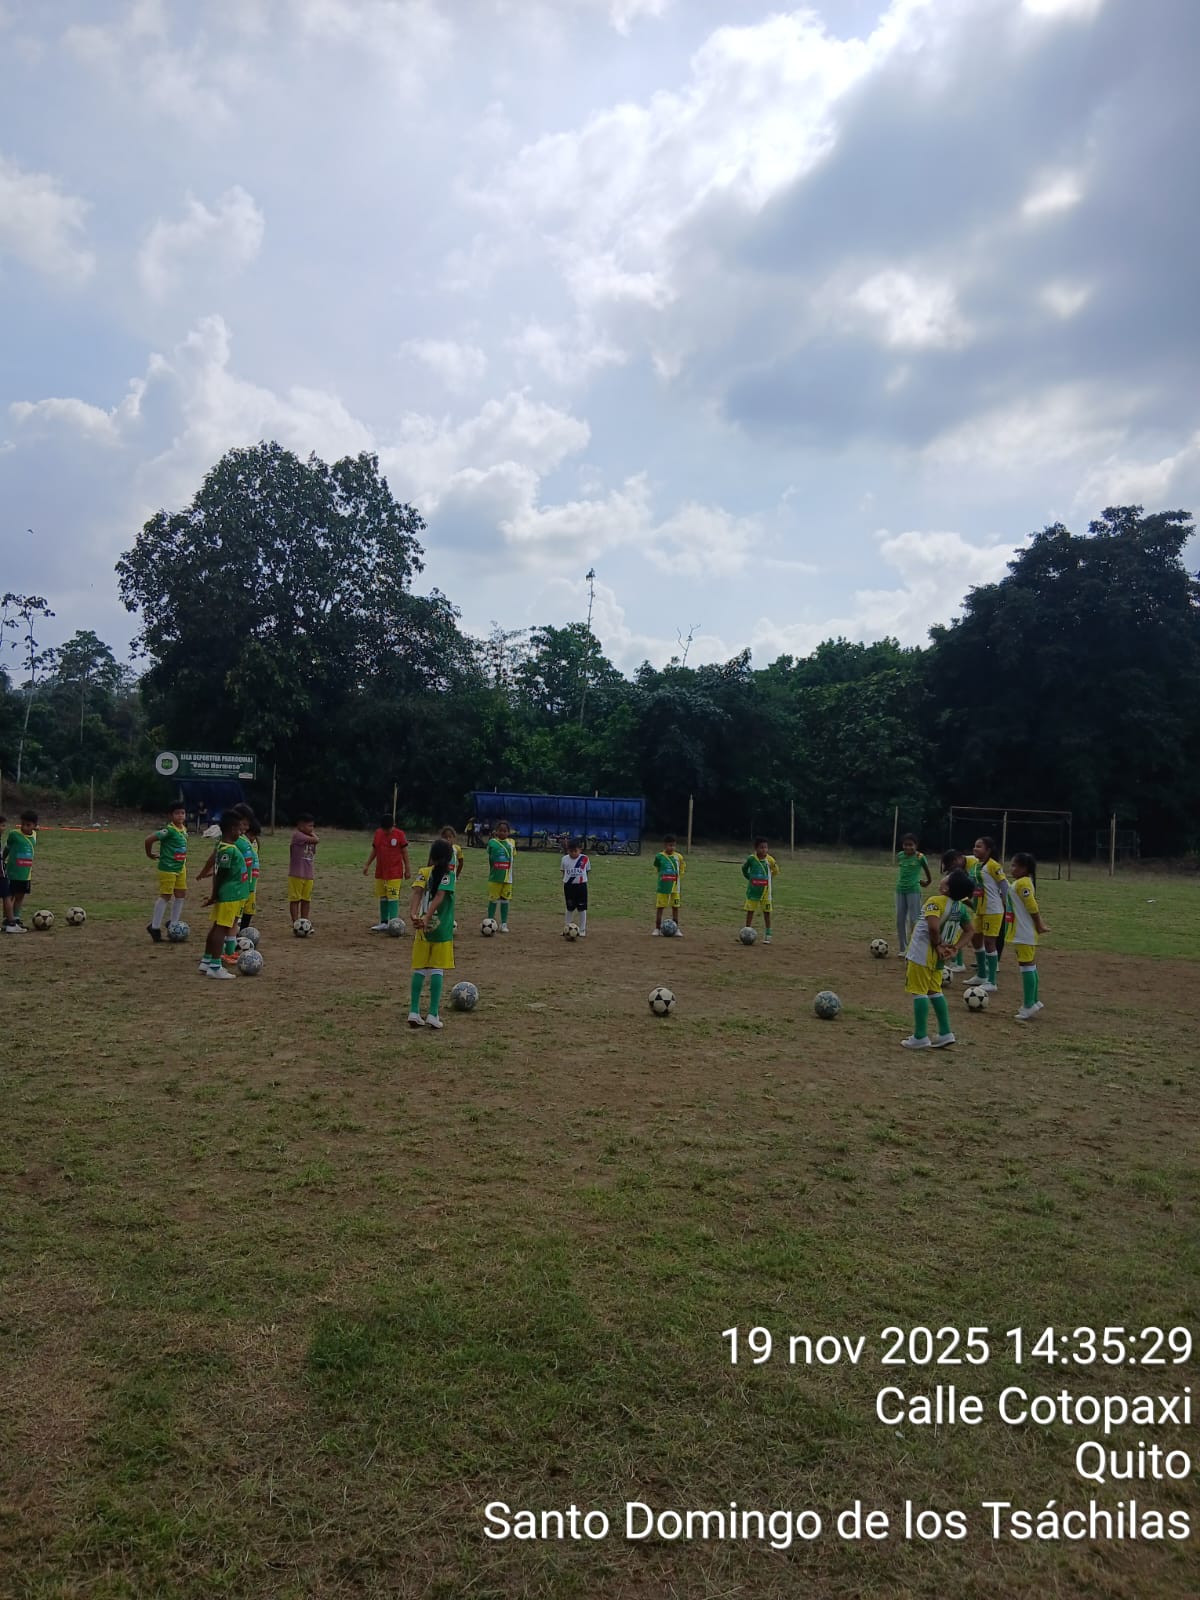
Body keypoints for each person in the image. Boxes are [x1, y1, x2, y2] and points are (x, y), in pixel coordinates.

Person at [901, 866, 976, 1050]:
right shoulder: (960, 907)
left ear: (946, 887)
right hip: (939, 958)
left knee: (919, 992)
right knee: (935, 991)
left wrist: (938, 944)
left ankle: (920, 1036)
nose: (943, 878)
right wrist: (955, 948)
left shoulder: (935, 901)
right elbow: (970, 930)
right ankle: (945, 1032)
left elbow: (933, 927)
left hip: (921, 954)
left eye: (946, 877)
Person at [408, 837, 456, 1029]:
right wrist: (428, 917)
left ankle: (413, 1011)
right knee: (437, 969)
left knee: (420, 968)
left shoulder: (423, 872)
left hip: (422, 929)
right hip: (441, 930)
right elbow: (440, 896)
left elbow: (417, 893)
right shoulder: (448, 876)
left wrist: (414, 914)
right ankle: (433, 1013)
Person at [199, 812, 249, 980]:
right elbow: (220, 874)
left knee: (216, 927)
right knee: (221, 929)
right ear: (232, 829)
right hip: (230, 895)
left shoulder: (224, 847)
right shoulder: (228, 849)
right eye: (239, 829)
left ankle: (206, 961)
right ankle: (215, 966)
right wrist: (214, 895)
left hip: (231, 894)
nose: (241, 833)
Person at [1009, 851, 1049, 1021]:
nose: (1011, 869)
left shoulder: (1022, 883)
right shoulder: (1023, 882)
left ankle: (1028, 1005)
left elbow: (1032, 906)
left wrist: (1039, 924)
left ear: (1024, 868)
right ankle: (1034, 1000)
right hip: (1025, 932)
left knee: (1026, 967)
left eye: (1014, 866)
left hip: (1023, 932)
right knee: (1031, 966)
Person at [144, 802, 188, 942]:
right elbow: (149, 840)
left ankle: (173, 924)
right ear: (170, 815)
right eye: (177, 813)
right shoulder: (168, 831)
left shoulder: (183, 829)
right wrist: (149, 853)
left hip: (180, 868)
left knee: (181, 895)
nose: (180, 816)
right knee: (166, 896)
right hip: (168, 868)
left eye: (182, 813)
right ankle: (155, 927)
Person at [970, 836, 1008, 993]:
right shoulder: (977, 865)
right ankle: (981, 974)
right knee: (975, 938)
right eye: (975, 845)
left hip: (992, 909)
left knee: (989, 942)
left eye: (979, 846)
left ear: (988, 850)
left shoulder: (994, 865)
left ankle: (992, 981)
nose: (975, 849)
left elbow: (1004, 885)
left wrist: (1007, 904)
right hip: (979, 909)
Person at [363, 816, 410, 931]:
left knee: (393, 897)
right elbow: (375, 850)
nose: (386, 832)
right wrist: (367, 864)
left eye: (388, 829)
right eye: (384, 829)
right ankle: (383, 922)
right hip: (380, 872)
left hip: (394, 872)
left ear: (393, 825)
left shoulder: (400, 834)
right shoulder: (378, 833)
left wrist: (407, 869)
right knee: (383, 896)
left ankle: (394, 923)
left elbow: (404, 852)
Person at [894, 834, 932, 955]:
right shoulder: (900, 855)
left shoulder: (920, 857)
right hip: (900, 889)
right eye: (905, 845)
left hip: (913, 890)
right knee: (900, 920)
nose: (908, 847)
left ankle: (914, 947)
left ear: (916, 845)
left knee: (914, 919)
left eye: (911, 845)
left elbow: (927, 871)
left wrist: (928, 882)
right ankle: (903, 948)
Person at [3, 810, 37, 931]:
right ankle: (8, 920)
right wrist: (2, 860)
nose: (24, 827)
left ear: (34, 826)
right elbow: (7, 848)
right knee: (9, 896)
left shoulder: (34, 835)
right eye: (22, 824)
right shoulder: (14, 834)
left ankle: (16, 918)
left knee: (20, 896)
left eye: (28, 825)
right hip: (13, 872)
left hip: (25, 873)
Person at [741, 838, 779, 943]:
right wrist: (749, 877)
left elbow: (776, 870)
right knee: (750, 911)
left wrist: (769, 879)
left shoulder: (770, 860)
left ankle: (768, 934)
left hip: (766, 892)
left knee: (767, 912)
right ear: (756, 848)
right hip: (753, 891)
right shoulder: (751, 859)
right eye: (761, 847)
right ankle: (747, 931)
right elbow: (744, 868)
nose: (764, 850)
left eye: (766, 847)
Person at [939, 848, 969, 978]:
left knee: (954, 934)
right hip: (956, 905)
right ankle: (956, 961)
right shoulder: (957, 873)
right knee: (954, 933)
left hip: (954, 906)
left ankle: (958, 963)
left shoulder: (958, 874)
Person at [651, 834, 685, 936]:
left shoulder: (678, 857)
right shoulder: (659, 856)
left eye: (674, 845)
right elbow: (657, 867)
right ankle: (657, 928)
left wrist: (677, 878)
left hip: (675, 887)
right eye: (670, 845)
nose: (672, 848)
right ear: (665, 845)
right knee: (660, 906)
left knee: (675, 907)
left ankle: (676, 929)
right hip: (663, 886)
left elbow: (681, 869)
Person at [485, 819, 516, 932]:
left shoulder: (511, 843)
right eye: (500, 830)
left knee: (505, 900)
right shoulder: (492, 842)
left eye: (505, 831)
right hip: (494, 877)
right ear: (496, 831)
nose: (502, 833)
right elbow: (490, 857)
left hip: (508, 878)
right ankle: (490, 921)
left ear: (508, 832)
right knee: (493, 900)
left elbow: (513, 856)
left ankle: (504, 924)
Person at [288, 814, 319, 925]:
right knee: (295, 899)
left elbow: (313, 849)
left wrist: (311, 833)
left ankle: (305, 922)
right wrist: (312, 834)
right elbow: (316, 839)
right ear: (300, 826)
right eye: (309, 826)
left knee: (306, 900)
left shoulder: (310, 839)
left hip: (308, 874)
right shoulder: (297, 836)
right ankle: (295, 923)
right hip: (296, 874)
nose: (312, 829)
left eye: (313, 826)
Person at [561, 838, 591, 936]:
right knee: (569, 908)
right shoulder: (564, 859)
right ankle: (567, 928)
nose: (573, 853)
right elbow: (563, 871)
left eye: (575, 851)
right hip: (569, 887)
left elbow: (587, 871)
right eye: (571, 851)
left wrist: (581, 880)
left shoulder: (585, 858)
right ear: (567, 850)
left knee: (582, 908)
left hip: (581, 887)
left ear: (580, 850)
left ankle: (582, 929)